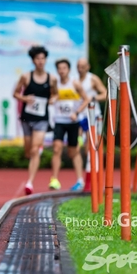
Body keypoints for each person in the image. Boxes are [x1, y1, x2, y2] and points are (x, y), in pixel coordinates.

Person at [13, 46, 58, 195]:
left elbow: (55, 94)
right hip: (27, 117)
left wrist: (52, 99)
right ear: (33, 60)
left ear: (45, 60)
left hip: (42, 119)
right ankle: (36, 150)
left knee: (34, 149)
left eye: (42, 58)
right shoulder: (26, 77)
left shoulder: (52, 78)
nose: (40, 61)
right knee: (28, 151)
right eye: (37, 58)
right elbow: (15, 93)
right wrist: (25, 98)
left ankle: (30, 182)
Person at [51, 58, 90, 191]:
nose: (61, 71)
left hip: (73, 122)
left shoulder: (75, 84)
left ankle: (80, 180)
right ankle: (54, 179)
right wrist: (52, 99)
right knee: (57, 148)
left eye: (64, 68)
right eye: (59, 68)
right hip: (59, 121)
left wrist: (77, 112)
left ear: (68, 70)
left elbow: (86, 100)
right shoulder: (55, 84)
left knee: (73, 151)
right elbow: (52, 96)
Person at [76, 58, 107, 190]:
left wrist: (93, 98)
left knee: (92, 146)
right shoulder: (74, 80)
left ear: (88, 67)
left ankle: (92, 179)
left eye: (83, 66)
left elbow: (105, 93)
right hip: (79, 116)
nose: (80, 68)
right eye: (78, 66)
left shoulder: (93, 79)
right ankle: (83, 179)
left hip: (93, 116)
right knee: (79, 147)